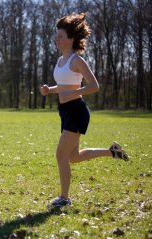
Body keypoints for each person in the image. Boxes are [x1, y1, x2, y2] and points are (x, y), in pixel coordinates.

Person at [39, 13, 129, 208]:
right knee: (73, 157)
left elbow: (94, 85)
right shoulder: (59, 60)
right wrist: (50, 89)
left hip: (77, 110)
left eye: (60, 36)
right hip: (64, 110)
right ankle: (112, 152)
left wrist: (75, 93)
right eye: (56, 36)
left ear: (71, 38)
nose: (57, 39)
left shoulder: (76, 60)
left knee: (60, 154)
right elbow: (63, 85)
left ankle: (64, 198)